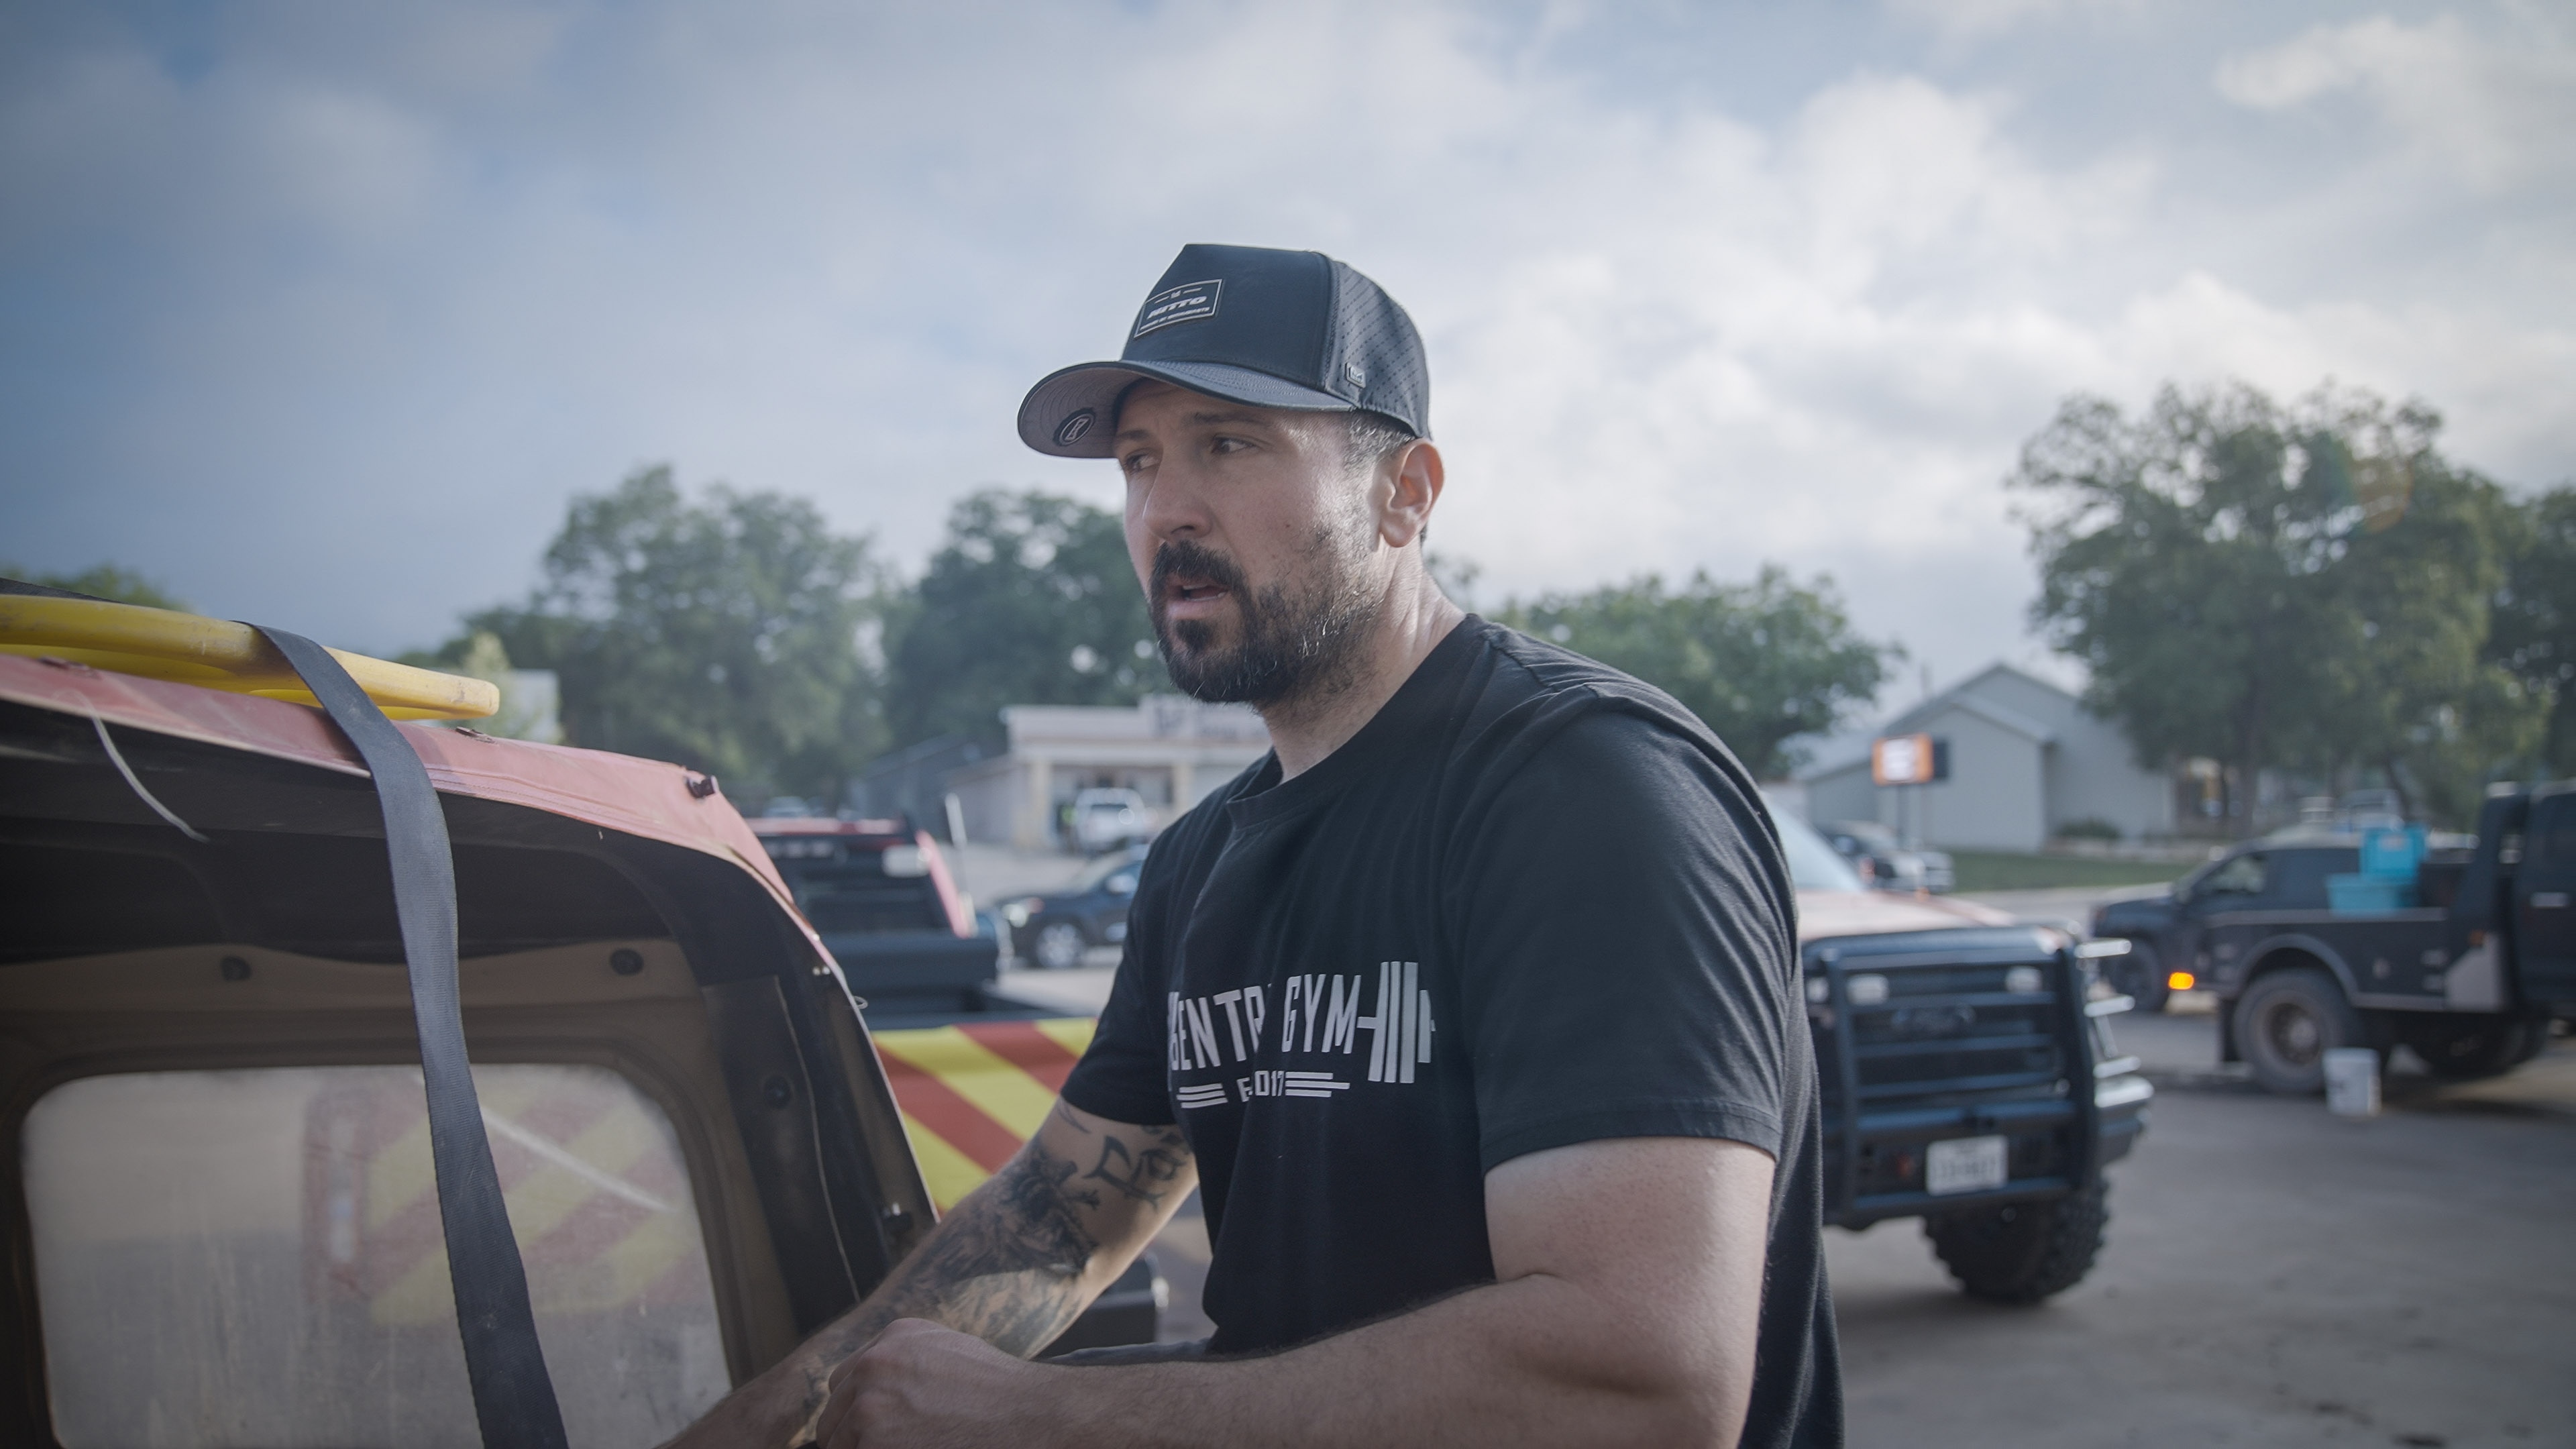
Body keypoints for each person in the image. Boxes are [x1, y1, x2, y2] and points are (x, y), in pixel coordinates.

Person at [669, 244, 1840, 1448]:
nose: (1164, 508)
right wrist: (778, 1415)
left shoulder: (1582, 790)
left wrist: (1048, 1422)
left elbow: (1639, 1376)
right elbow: (1063, 1219)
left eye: (1228, 443)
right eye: (1138, 462)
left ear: (1406, 493)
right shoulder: (1194, 867)